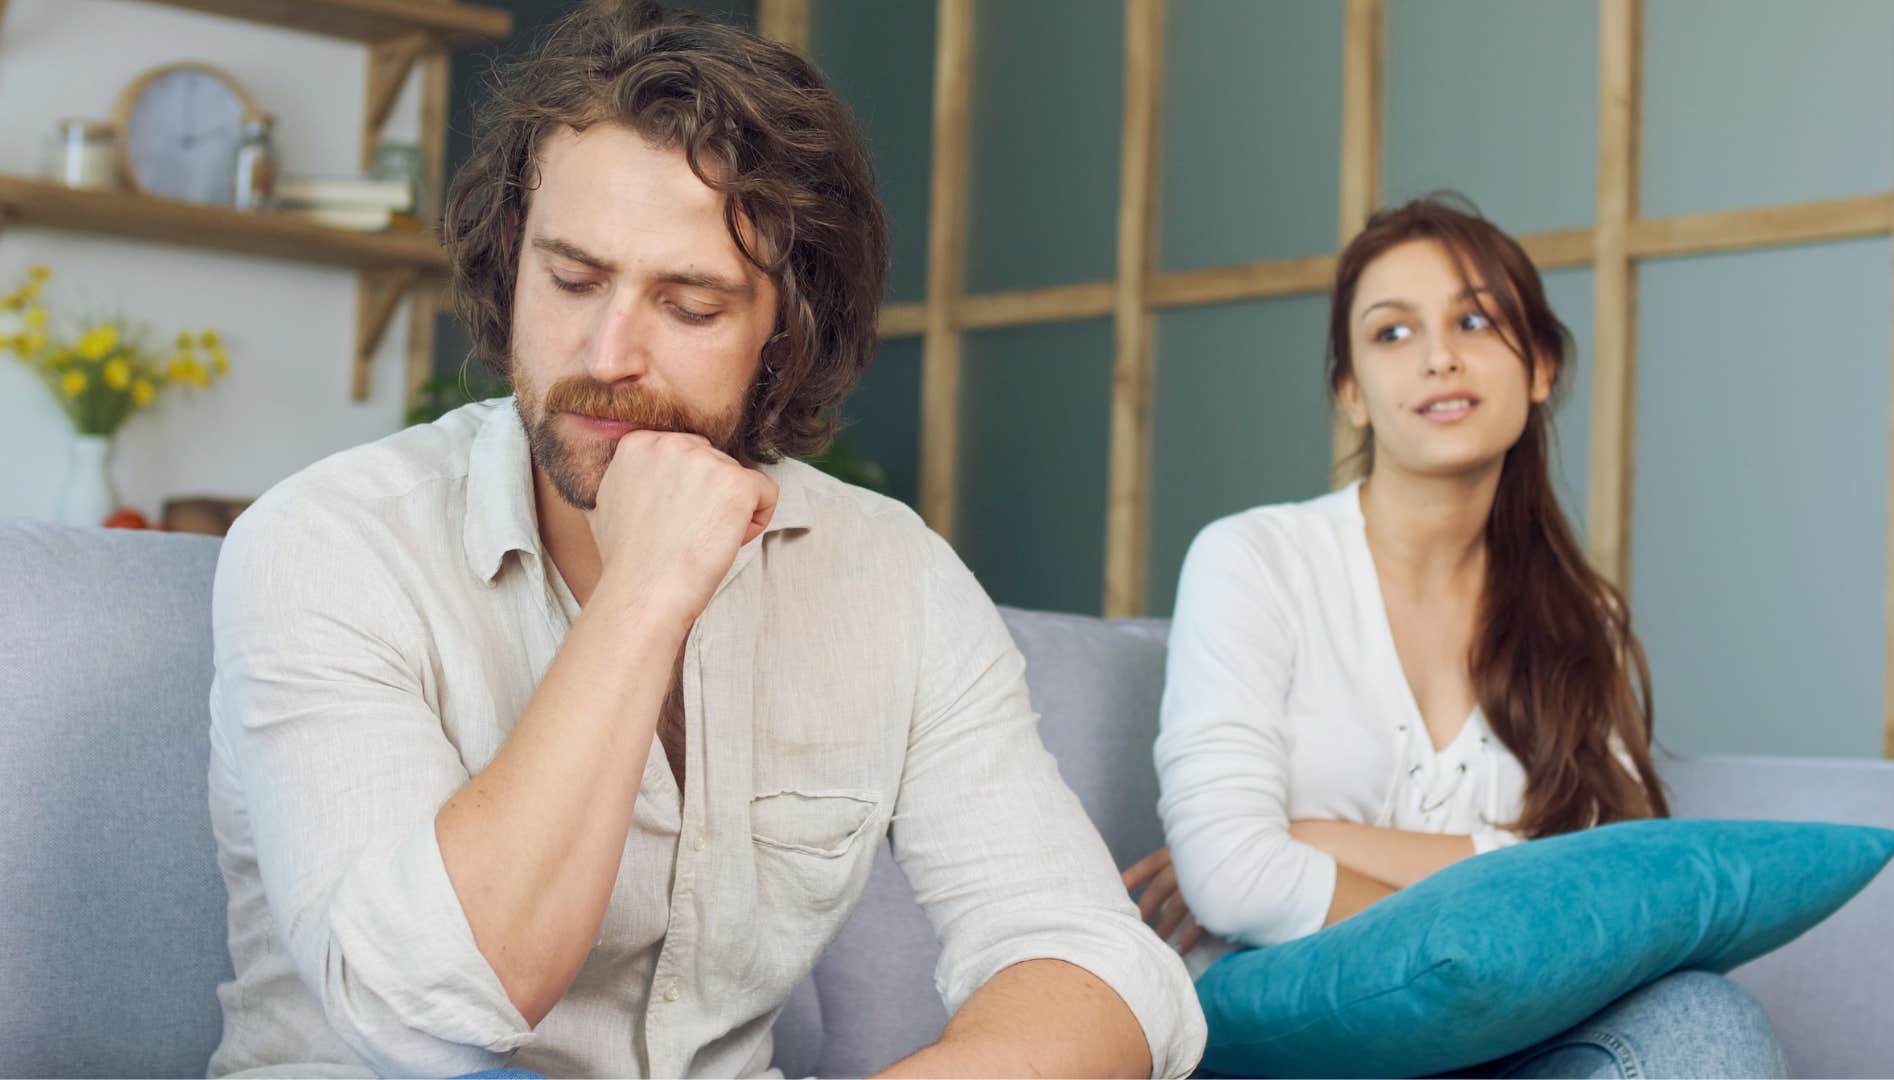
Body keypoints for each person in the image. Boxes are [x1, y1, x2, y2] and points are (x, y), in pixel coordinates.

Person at [205, 5, 1203, 1076]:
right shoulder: (331, 544)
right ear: (510, 263)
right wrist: (648, 586)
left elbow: (1096, 959)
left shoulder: (887, 574)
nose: (607, 351)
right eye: (573, 279)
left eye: (689, 306)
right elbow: (430, 1004)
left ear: (789, 333)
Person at [1124, 195, 1787, 1078]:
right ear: (1352, 393)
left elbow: (1608, 881)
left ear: (1540, 365)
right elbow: (1228, 876)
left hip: (1504, 1047)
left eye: (1474, 320)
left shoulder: (1574, 620)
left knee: (1706, 1017)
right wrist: (1502, 919)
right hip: (1291, 1037)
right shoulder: (1253, 560)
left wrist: (1318, 836)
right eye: (1392, 334)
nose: (1439, 357)